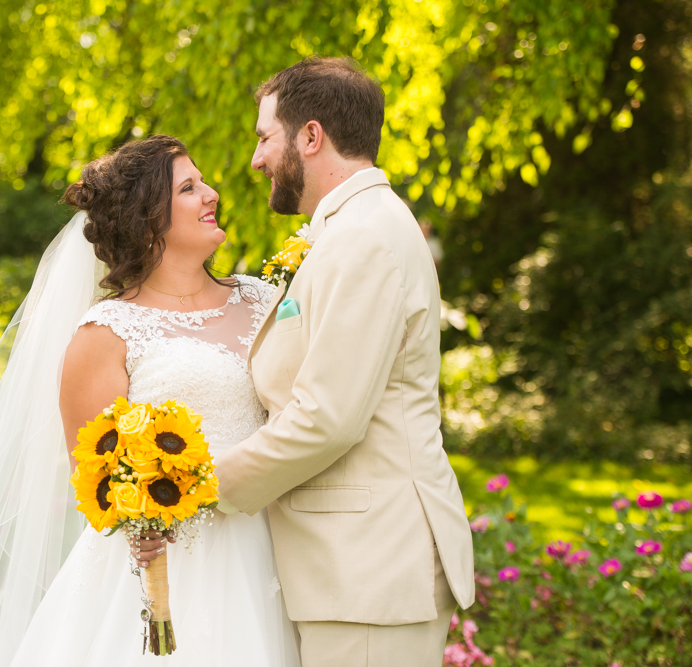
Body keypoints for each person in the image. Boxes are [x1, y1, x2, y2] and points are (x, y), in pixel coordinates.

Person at [0, 135, 299, 666]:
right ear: (148, 219)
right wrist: (142, 524)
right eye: (189, 187)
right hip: (173, 569)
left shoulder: (264, 300)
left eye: (201, 182)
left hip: (280, 548)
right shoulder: (105, 335)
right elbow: (98, 479)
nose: (212, 194)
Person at [209, 57, 475, 667]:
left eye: (263, 137)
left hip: (370, 571)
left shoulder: (363, 237)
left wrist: (200, 485)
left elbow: (327, 418)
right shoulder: (351, 226)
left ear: (311, 135)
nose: (255, 159)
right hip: (351, 568)